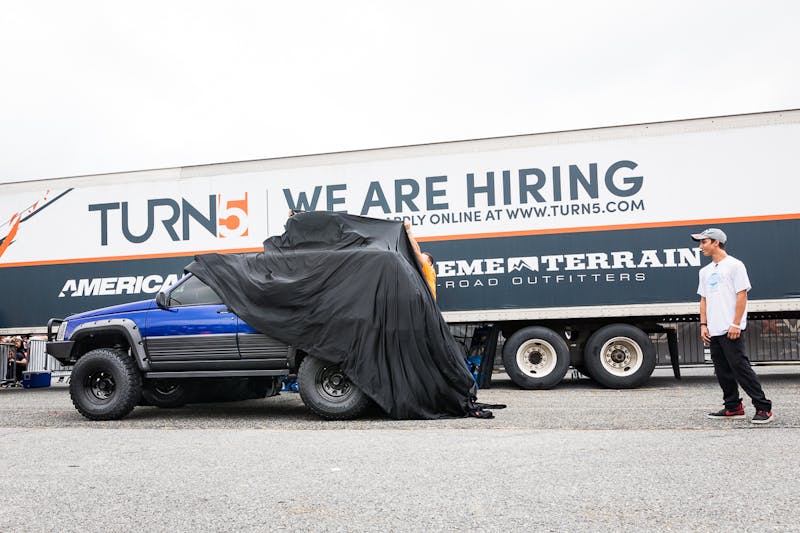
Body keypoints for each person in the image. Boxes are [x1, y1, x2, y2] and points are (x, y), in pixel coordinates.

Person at [692, 227, 773, 424]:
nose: (701, 246)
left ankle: (763, 407)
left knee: (740, 368)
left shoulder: (735, 266)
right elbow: (703, 300)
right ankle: (733, 406)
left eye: (704, 242)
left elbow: (742, 295)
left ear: (716, 243)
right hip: (714, 329)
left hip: (731, 328)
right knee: (721, 370)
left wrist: (736, 323)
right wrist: (704, 325)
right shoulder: (705, 271)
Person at [404, 220, 436, 300]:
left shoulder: (429, 269)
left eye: (423, 257)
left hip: (429, 303)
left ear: (429, 262)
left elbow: (416, 252)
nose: (419, 258)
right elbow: (418, 249)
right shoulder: (426, 270)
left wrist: (408, 231)